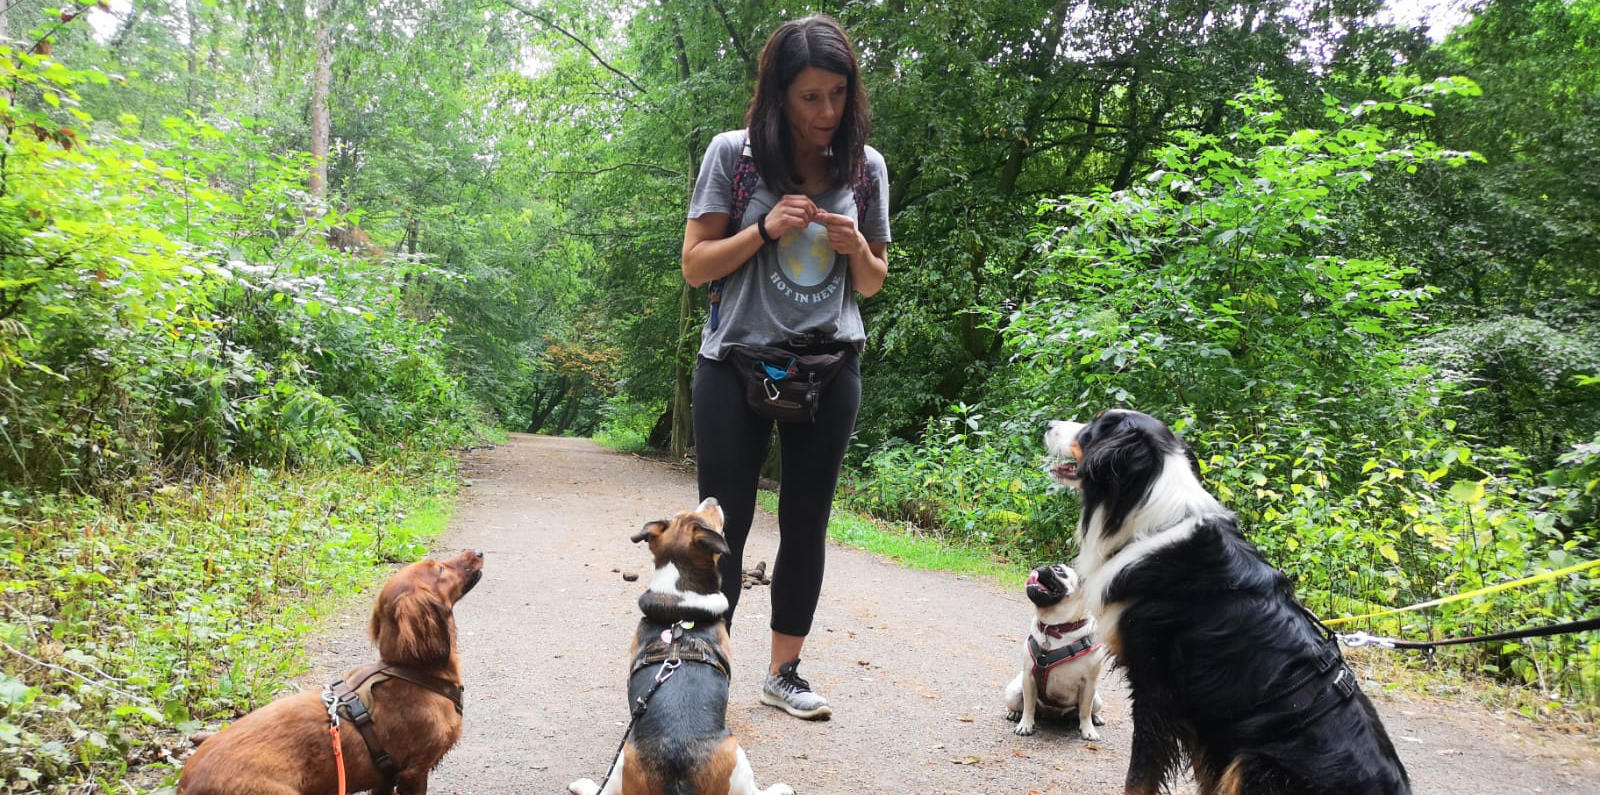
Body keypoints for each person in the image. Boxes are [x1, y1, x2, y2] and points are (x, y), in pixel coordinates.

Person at [680, 14, 889, 721]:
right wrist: (763, 229)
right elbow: (694, 264)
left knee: (806, 522)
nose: (826, 112)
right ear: (777, 95)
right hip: (734, 362)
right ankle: (708, 671)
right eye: (809, 97)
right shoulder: (732, 157)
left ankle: (783, 672)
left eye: (837, 93)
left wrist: (856, 243)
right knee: (724, 525)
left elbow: (871, 282)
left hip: (829, 368)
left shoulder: (865, 168)